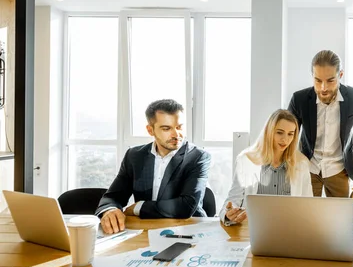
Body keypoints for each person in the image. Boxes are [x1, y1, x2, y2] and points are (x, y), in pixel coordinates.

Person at [96, 99, 211, 234]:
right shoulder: (134, 156)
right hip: (145, 230)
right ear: (150, 130)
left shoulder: (198, 157)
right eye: (166, 128)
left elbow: (185, 206)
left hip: (188, 230)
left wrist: (139, 207)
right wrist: (110, 209)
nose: (176, 134)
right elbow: (113, 196)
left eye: (179, 127)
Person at [288, 50, 353, 198]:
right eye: (318, 80)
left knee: (340, 217)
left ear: (340, 75)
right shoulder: (299, 99)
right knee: (306, 216)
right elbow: (286, 135)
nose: (323, 88)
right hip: (308, 166)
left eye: (330, 80)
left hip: (340, 168)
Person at [219, 109, 312, 226]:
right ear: (269, 132)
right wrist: (228, 214)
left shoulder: (301, 164)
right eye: (279, 132)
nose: (285, 139)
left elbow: (309, 207)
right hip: (254, 230)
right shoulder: (246, 160)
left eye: (290, 134)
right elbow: (233, 199)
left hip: (290, 230)